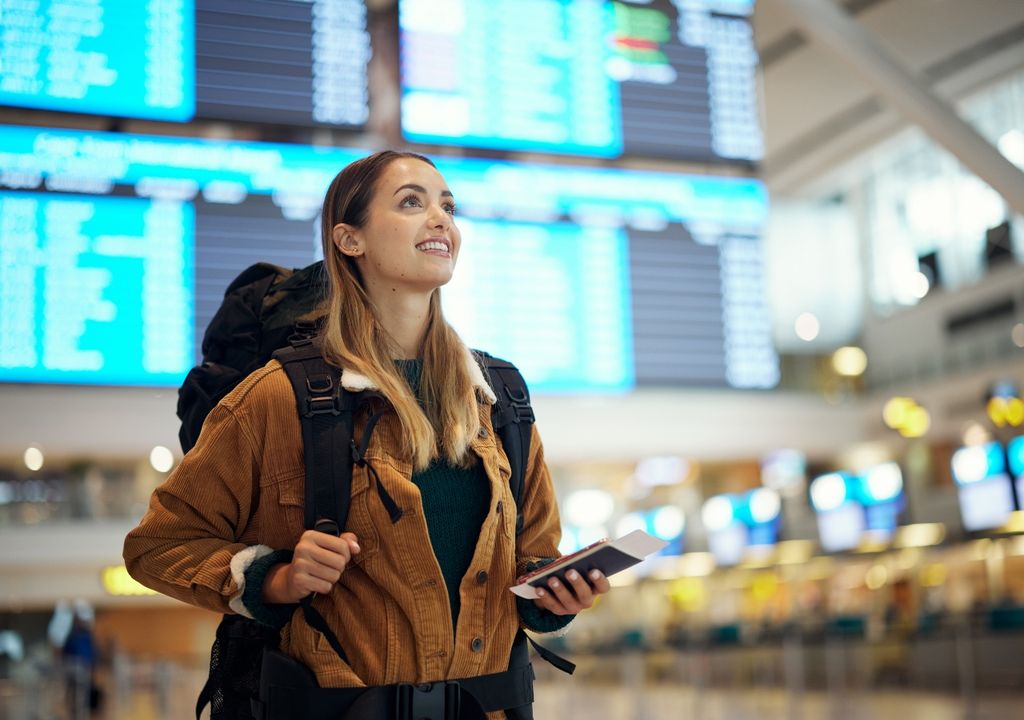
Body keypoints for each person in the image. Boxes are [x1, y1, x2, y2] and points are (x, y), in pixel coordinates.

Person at [123, 150, 611, 719]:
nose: (441, 219)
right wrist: (275, 579)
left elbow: (532, 559)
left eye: (448, 206)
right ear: (349, 239)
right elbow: (158, 545)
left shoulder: (498, 398)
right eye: (412, 203)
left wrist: (553, 598)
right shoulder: (279, 396)